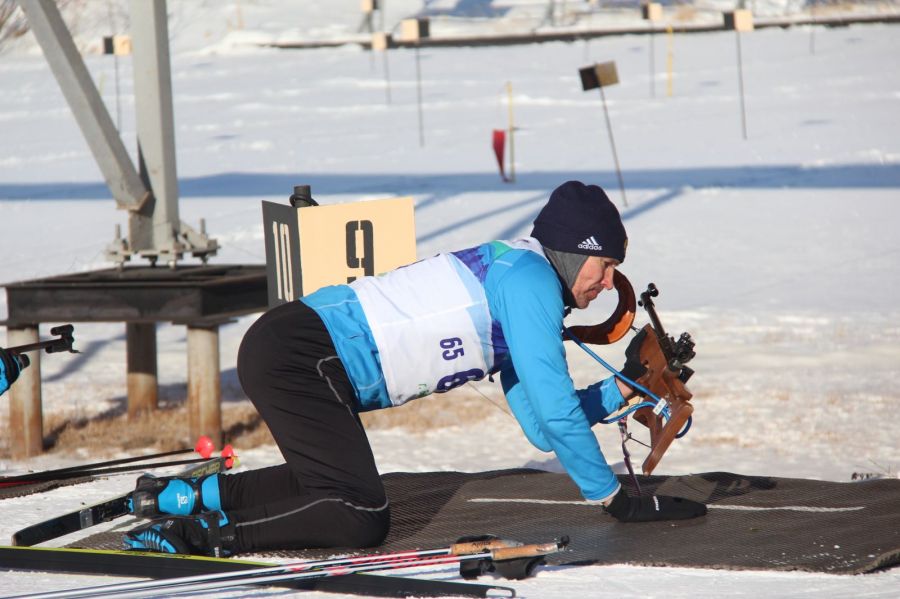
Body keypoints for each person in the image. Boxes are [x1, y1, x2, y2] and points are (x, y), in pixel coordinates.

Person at [125, 181, 707, 557]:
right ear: (574, 252)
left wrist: (621, 388)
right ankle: (200, 538)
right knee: (359, 515)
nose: (606, 283)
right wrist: (613, 497)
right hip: (303, 352)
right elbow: (555, 413)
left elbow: (540, 423)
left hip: (292, 346)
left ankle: (189, 498)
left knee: (328, 484)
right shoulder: (530, 284)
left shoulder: (526, 283)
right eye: (603, 267)